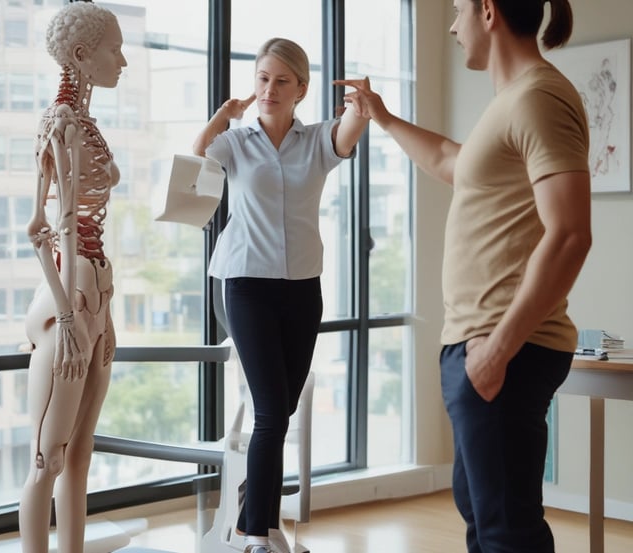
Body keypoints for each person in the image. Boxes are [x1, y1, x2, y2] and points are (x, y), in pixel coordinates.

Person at [337, 1, 591, 552]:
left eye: (457, 11)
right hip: (483, 346)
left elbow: (570, 233)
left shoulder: (539, 98)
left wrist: (497, 350)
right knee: (485, 519)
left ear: (487, 10)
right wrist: (381, 116)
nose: (452, 26)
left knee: (506, 532)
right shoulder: (511, 102)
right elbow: (453, 163)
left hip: (506, 348)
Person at [193, 37, 369, 553]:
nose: (268, 89)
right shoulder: (237, 141)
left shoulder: (316, 141)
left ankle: (257, 520)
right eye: (262, 78)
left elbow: (349, 134)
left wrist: (361, 107)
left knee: (281, 409)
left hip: (302, 288)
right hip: (243, 283)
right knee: (271, 412)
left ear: (301, 89)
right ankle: (255, 538)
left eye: (281, 81)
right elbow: (198, 156)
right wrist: (222, 115)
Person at [19, 2, 126, 552]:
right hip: (70, 298)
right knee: (48, 458)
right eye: (115, 49)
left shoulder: (86, 124)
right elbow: (42, 227)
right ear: (83, 55)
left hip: (96, 295)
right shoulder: (60, 123)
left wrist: (99, 316)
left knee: (81, 455)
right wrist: (68, 318)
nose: (123, 61)